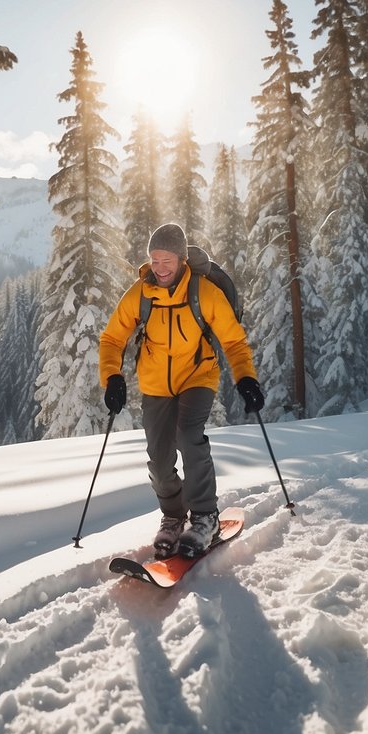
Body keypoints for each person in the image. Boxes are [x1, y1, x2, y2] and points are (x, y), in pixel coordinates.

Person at [99, 223, 265, 559]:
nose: (160, 268)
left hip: (198, 375)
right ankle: (174, 517)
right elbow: (112, 338)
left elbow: (232, 340)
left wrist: (246, 377)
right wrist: (112, 377)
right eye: (155, 260)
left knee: (189, 436)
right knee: (159, 460)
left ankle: (205, 518)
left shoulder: (203, 292)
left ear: (182, 259)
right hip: (155, 385)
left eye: (167, 261)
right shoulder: (140, 294)